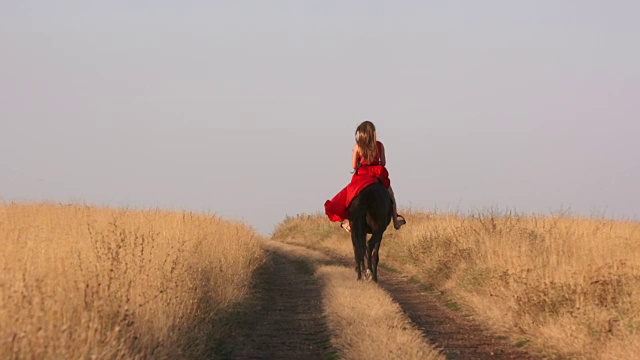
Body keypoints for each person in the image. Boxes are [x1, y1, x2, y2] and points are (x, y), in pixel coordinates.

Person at [335, 120, 406, 232]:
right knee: (391, 196)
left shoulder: (358, 146)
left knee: (349, 196)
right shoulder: (379, 145)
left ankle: (348, 222)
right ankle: (396, 222)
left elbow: (354, 166)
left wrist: (361, 162)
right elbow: (383, 163)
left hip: (362, 174)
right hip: (377, 172)